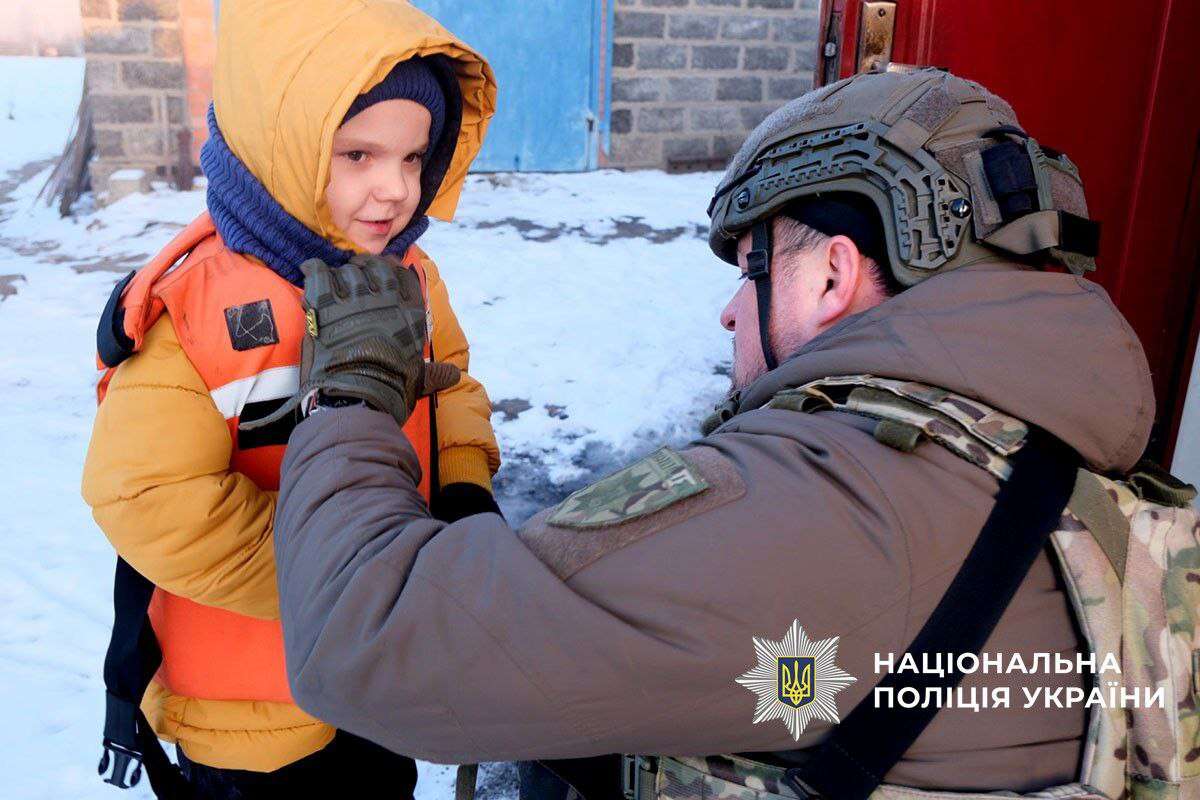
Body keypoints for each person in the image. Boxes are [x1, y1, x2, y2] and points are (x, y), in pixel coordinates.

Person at [269, 69, 1196, 800]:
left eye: (752, 266)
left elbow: (366, 639)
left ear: (833, 276)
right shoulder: (1085, 476)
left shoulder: (826, 509)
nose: (727, 313)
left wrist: (353, 394)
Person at [81, 0, 500, 796]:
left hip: (378, 679)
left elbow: (451, 384)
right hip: (255, 718)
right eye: (358, 154)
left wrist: (465, 488)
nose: (394, 189)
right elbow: (145, 497)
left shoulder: (408, 275)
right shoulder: (196, 312)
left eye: (414, 157)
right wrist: (340, 567)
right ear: (282, 145)